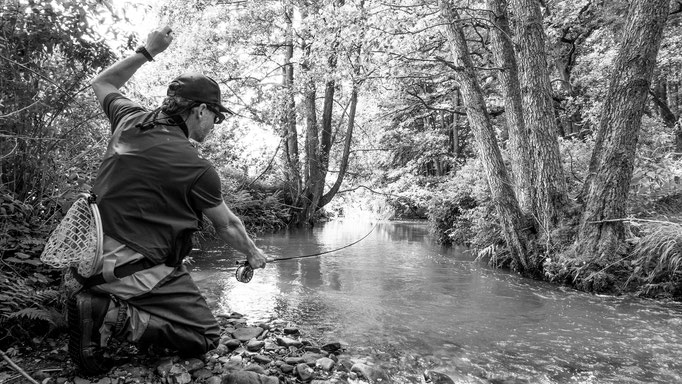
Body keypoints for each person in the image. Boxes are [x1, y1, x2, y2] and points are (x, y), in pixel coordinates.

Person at [68, 25, 268, 375]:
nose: (216, 123)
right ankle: (111, 315)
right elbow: (228, 224)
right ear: (200, 110)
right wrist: (252, 253)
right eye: (217, 116)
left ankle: (102, 299)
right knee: (204, 336)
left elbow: (101, 83)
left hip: (86, 257)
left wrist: (147, 52)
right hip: (126, 269)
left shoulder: (128, 119)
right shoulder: (196, 167)